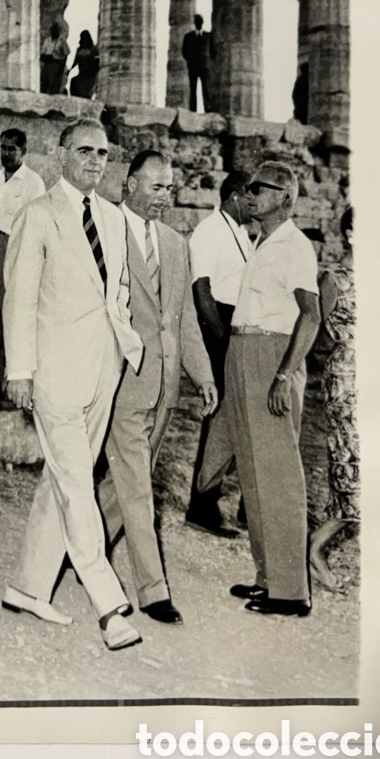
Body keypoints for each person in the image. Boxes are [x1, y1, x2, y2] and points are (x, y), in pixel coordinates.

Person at [1, 118, 145, 652]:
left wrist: (124, 348)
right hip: (55, 372)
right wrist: (20, 370)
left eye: (103, 154)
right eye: (84, 151)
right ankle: (109, 605)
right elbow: (18, 296)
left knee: (62, 480)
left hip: (103, 366)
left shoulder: (111, 216)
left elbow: (119, 291)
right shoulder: (37, 215)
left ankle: (27, 586)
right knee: (77, 484)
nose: (94, 161)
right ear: (61, 154)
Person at [96, 151, 216, 625]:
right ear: (129, 185)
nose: (166, 197)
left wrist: (202, 375)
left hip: (164, 386)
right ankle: (152, 589)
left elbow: (183, 320)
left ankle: (79, 549)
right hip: (123, 381)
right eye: (157, 187)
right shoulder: (106, 231)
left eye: (170, 188)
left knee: (123, 480)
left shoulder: (174, 242)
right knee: (138, 483)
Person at [198, 161, 320, 618]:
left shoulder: (296, 247)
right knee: (251, 472)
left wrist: (284, 375)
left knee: (278, 477)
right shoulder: (261, 241)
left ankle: (291, 592)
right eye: (247, 189)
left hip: (272, 358)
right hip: (243, 352)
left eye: (258, 189)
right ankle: (268, 577)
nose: (248, 195)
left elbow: (310, 315)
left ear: (285, 198)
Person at [184, 170, 254, 536]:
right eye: (251, 194)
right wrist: (225, 338)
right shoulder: (209, 231)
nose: (256, 202)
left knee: (235, 419)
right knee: (218, 419)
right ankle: (202, 507)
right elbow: (202, 292)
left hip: (236, 325)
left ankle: (243, 507)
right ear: (235, 195)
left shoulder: (242, 233)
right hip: (218, 327)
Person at [309, 207, 357, 592]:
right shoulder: (333, 278)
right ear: (352, 235)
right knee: (355, 469)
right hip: (349, 382)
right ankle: (316, 547)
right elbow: (316, 334)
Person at [0, 129, 46, 381]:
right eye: (2, 147)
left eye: (11, 149)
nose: (5, 153)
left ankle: (13, 376)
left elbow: (36, 224)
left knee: (13, 313)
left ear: (23, 151)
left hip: (14, 249)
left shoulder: (33, 182)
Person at [181, 14, 212, 113]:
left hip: (204, 66)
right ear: (195, 23)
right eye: (197, 21)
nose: (198, 23)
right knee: (192, 89)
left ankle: (207, 109)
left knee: (206, 89)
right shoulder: (188, 36)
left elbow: (213, 51)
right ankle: (193, 109)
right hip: (193, 66)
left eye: (200, 21)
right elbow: (184, 51)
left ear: (202, 23)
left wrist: (208, 61)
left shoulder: (209, 36)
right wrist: (190, 60)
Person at [39, 21, 70, 95]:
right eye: (52, 29)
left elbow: (66, 54)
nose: (53, 31)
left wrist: (62, 67)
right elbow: (42, 52)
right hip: (47, 63)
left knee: (54, 86)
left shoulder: (62, 40)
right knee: (44, 85)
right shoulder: (47, 40)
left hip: (56, 64)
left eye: (55, 29)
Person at [68, 30, 100, 99]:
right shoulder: (79, 49)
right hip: (82, 72)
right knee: (74, 81)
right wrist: (70, 70)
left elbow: (96, 61)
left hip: (90, 73)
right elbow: (76, 61)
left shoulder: (93, 49)